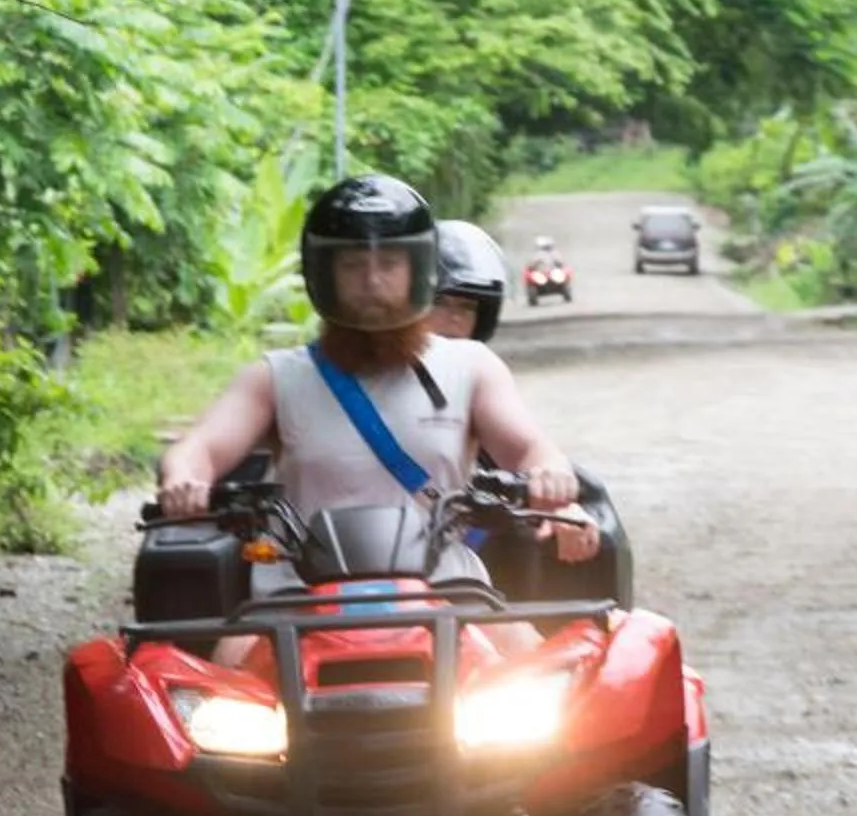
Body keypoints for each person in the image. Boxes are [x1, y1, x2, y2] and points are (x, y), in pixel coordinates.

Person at [156, 176, 596, 587]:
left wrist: (550, 478)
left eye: (389, 263)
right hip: (295, 602)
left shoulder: (472, 367)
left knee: (540, 661)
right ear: (324, 273)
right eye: (352, 266)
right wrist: (185, 477)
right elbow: (200, 449)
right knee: (222, 665)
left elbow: (529, 448)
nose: (372, 281)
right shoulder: (275, 377)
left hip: (447, 593)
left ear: (418, 269)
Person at [428, 219, 509, 344]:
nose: (454, 317)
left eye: (467, 307)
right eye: (439, 303)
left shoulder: (482, 363)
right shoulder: (390, 362)